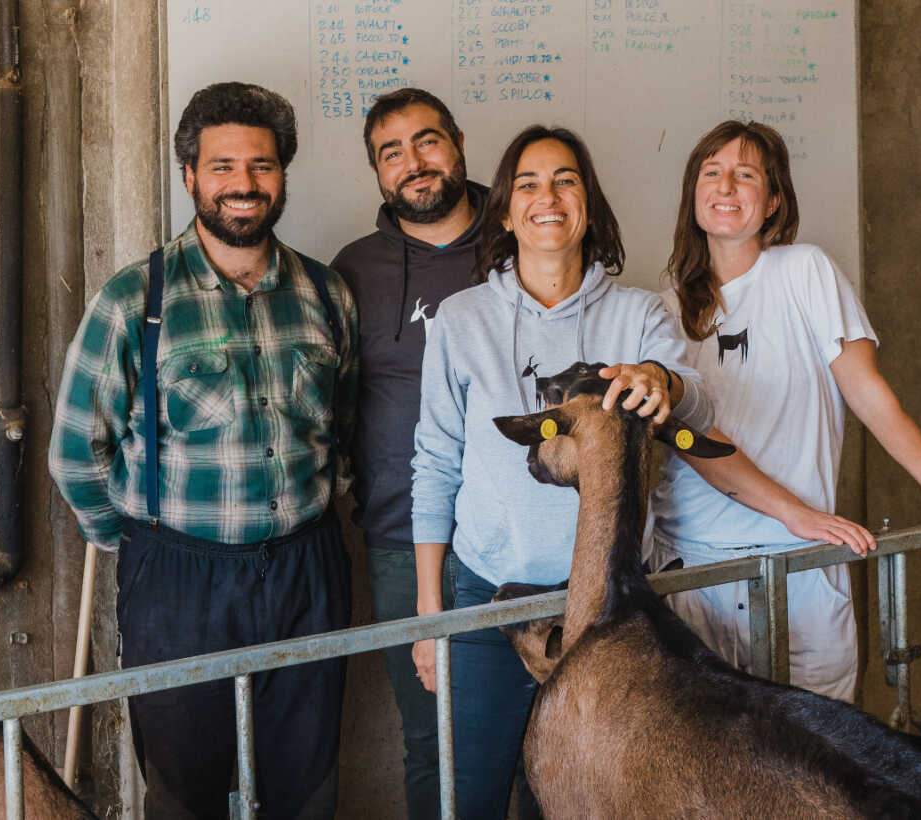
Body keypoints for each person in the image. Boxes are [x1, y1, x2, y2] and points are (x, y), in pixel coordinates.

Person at [48, 82, 358, 819]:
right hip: (178, 581)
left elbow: (341, 430)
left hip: (308, 574)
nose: (243, 185)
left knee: (306, 786)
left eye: (261, 165)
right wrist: (136, 545)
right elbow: (74, 452)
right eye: (222, 167)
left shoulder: (326, 294)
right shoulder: (133, 301)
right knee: (184, 792)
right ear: (189, 176)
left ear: (283, 174)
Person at [410, 125, 715, 819]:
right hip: (488, 603)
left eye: (566, 180)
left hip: (611, 613)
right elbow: (432, 463)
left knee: (584, 801)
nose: (548, 196)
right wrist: (430, 616)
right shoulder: (461, 320)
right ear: (508, 212)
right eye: (528, 184)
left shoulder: (639, 313)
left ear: (589, 204)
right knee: (472, 798)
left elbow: (696, 392)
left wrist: (661, 378)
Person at [647, 120, 921, 702]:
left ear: (774, 199)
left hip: (801, 562)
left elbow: (869, 394)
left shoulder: (805, 272)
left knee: (822, 769)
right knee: (710, 778)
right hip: (693, 569)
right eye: (711, 173)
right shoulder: (660, 313)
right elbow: (688, 439)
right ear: (693, 194)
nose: (726, 187)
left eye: (745, 174)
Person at [330, 87, 479, 819]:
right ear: (377, 174)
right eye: (392, 152)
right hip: (396, 540)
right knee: (432, 745)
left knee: (541, 735)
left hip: (512, 542)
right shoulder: (352, 272)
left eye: (428, 141)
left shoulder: (520, 239)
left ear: (457, 144)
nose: (414, 163)